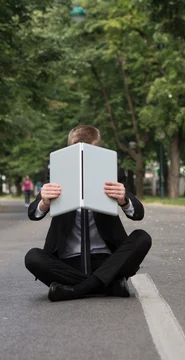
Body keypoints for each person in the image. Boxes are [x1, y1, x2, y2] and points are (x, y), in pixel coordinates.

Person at [24, 125, 151, 302]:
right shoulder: (57, 171)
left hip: (107, 260)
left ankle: (75, 290)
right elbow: (33, 213)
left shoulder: (113, 172)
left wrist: (124, 200)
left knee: (142, 238)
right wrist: (44, 203)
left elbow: (137, 213)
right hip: (67, 263)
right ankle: (108, 285)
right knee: (32, 257)